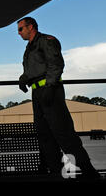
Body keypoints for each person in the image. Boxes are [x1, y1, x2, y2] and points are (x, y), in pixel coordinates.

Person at [17, 16, 100, 180]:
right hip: (37, 93)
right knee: (44, 135)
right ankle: (56, 173)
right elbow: (37, 67)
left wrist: (49, 86)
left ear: (30, 27)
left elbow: (56, 64)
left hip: (51, 91)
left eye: (20, 29)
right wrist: (25, 77)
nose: (19, 33)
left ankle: (90, 173)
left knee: (64, 133)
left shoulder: (47, 41)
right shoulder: (30, 47)